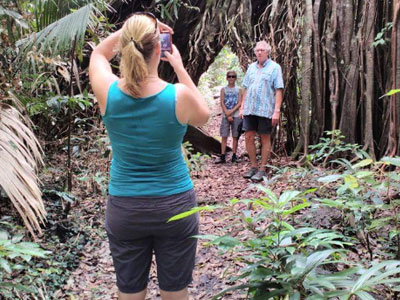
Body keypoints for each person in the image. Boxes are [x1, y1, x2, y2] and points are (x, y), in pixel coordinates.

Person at [89, 12, 210, 300]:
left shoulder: (108, 92)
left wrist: (130, 30)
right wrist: (180, 68)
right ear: (160, 49)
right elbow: (205, 115)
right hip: (175, 205)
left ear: (129, 46)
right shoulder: (178, 95)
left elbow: (99, 54)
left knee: (129, 291)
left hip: (125, 208)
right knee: (175, 289)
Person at [239, 41, 284, 182]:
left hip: (266, 110)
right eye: (257, 50)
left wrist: (276, 111)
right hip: (250, 108)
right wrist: (242, 106)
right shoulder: (251, 67)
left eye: (262, 50)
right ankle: (253, 166)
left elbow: (279, 90)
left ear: (268, 52)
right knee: (248, 136)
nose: (259, 52)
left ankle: (262, 169)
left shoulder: (275, 68)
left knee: (265, 137)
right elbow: (246, 87)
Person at [215, 71, 243, 164]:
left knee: (235, 136)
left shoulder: (239, 89)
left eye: (233, 76)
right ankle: (222, 156)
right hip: (225, 116)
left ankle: (234, 156)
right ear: (227, 78)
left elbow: (239, 103)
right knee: (224, 136)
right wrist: (227, 114)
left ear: (236, 78)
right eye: (229, 76)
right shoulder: (223, 89)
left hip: (235, 115)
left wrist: (230, 112)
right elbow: (222, 102)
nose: (231, 78)